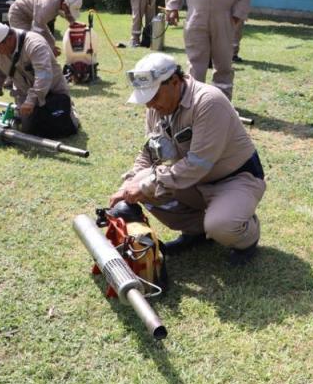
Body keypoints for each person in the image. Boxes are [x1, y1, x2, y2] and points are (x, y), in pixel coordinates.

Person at [108, 53, 265, 265]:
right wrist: (129, 183)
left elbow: (197, 163)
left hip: (234, 180)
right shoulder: (158, 107)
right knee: (138, 186)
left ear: (174, 81)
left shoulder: (209, 102)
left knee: (221, 225)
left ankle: (247, 235)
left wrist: (145, 185)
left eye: (153, 96)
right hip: (192, 181)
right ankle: (196, 232)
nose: (149, 105)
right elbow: (149, 152)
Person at [0, 21, 79, 138]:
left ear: (9, 39)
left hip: (53, 91)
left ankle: (72, 114)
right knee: (29, 130)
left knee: (60, 128)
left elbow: (44, 76)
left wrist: (31, 100)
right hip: (24, 94)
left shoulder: (35, 44)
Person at [7, 0, 82, 56]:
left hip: (33, 15)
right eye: (69, 11)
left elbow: (66, 13)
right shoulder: (47, 7)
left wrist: (73, 23)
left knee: (51, 42)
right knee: (25, 44)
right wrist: (50, 48)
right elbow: (36, 32)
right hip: (19, 13)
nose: (69, 13)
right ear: (64, 5)